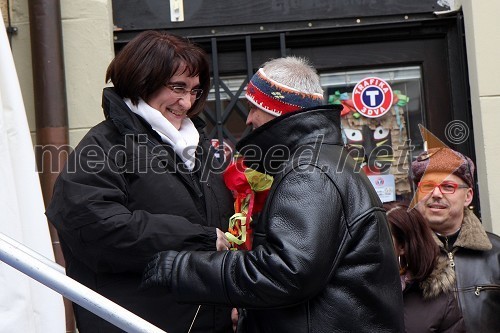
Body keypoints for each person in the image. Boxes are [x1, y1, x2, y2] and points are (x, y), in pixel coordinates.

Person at [142, 56, 405, 332]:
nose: (249, 118)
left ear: (277, 109)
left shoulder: (309, 171)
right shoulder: (324, 160)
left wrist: (182, 268)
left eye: (254, 107)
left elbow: (286, 272)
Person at [45, 30, 235, 333]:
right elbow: (95, 229)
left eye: (195, 91)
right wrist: (198, 239)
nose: (187, 102)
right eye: (178, 87)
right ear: (143, 81)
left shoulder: (197, 147)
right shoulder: (102, 146)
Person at [411, 147, 500, 332]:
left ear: (468, 196)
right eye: (427, 186)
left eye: (448, 187)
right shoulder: (402, 254)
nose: (436, 194)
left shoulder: (496, 252)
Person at [384, 202, 466, 332]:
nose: (372, 245)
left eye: (381, 238)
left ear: (402, 247)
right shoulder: (357, 289)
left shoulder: (439, 301)